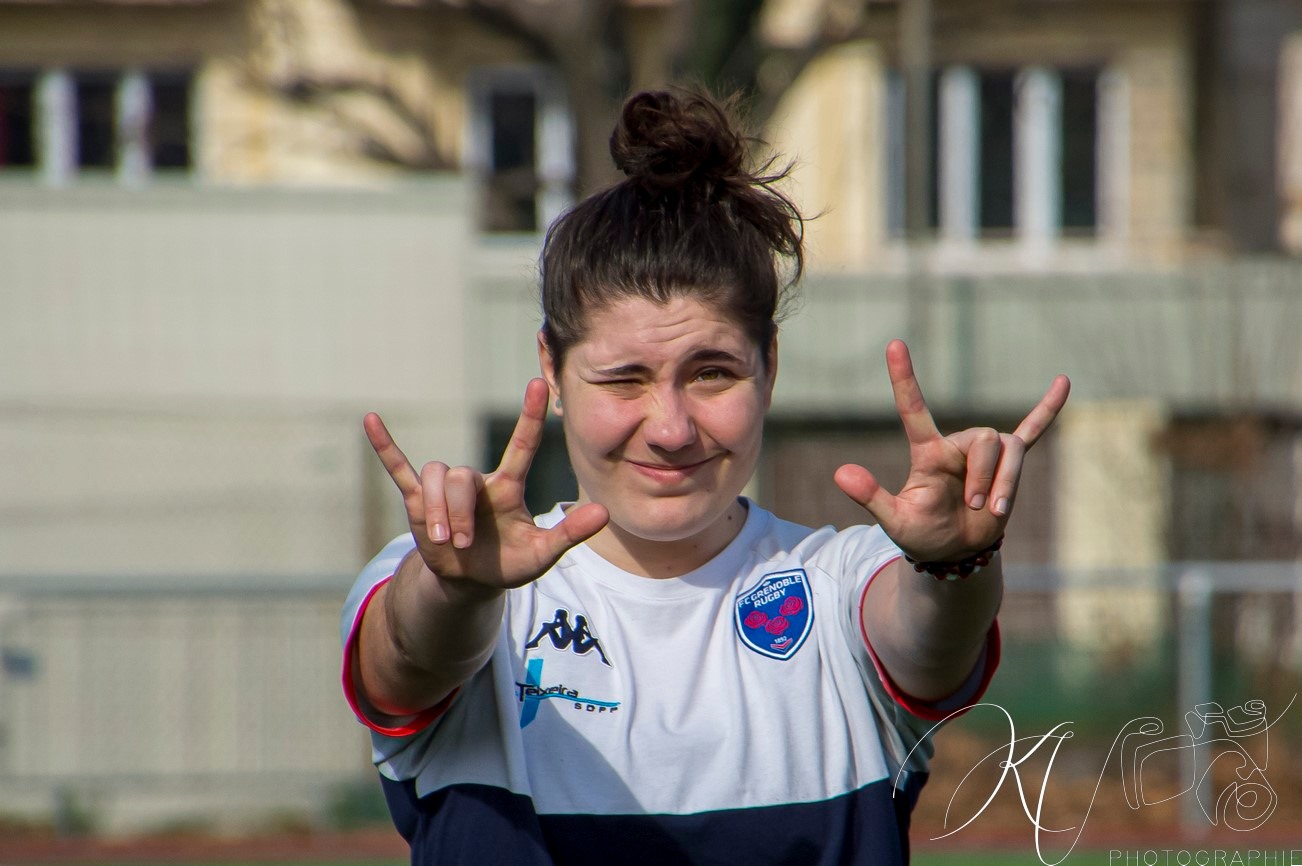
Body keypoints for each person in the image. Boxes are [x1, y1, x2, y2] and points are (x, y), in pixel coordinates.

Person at [341, 88, 1070, 865]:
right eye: (625, 379)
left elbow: (929, 639)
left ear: (770, 368)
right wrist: (456, 587)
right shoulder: (460, 578)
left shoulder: (836, 583)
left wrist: (953, 563)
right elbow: (412, 660)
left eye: (712, 373)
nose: (671, 427)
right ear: (551, 371)